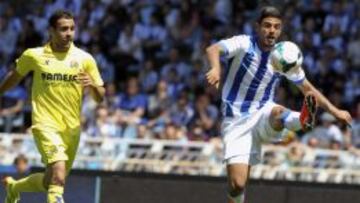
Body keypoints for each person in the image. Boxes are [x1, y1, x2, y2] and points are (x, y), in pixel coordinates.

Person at [205, 6, 352, 203]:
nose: (271, 30)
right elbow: (213, 48)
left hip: (264, 111)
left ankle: (302, 119)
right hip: (236, 120)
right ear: (258, 27)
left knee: (277, 112)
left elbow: (309, 89)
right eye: (267, 26)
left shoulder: (284, 55)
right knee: (237, 184)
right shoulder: (244, 43)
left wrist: (335, 111)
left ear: (280, 30)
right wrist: (216, 68)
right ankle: (299, 120)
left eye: (276, 26)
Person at [0, 10, 105, 203]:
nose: (69, 33)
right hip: (45, 124)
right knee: (58, 171)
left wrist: (91, 85)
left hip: (72, 128)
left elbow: (100, 97)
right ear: (51, 31)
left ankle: (15, 187)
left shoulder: (85, 59)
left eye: (72, 29)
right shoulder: (35, 55)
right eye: (64, 29)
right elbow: (15, 76)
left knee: (52, 181)